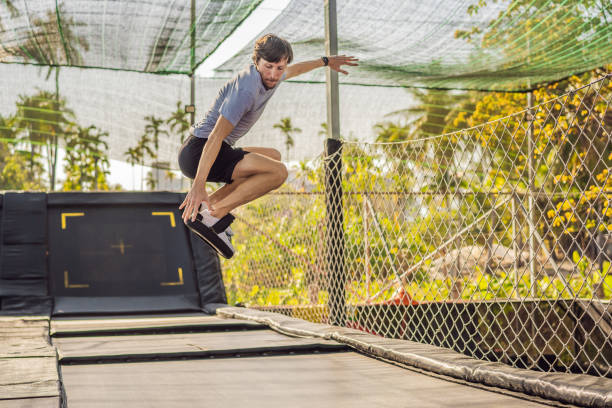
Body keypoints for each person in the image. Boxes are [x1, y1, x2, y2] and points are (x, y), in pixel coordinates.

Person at [178, 33, 358, 258]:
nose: (273, 75)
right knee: (278, 172)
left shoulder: (274, 74)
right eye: (269, 67)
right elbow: (214, 137)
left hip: (210, 149)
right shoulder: (246, 91)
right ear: (256, 62)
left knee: (273, 156)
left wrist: (325, 61)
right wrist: (198, 184)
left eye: (279, 68)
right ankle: (215, 216)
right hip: (200, 151)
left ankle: (207, 210)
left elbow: (295, 70)